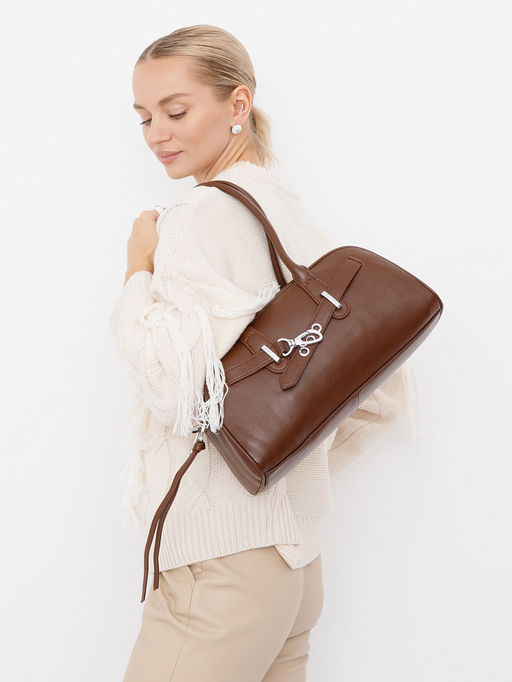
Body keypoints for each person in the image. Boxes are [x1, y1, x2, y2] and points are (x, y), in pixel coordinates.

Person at [109, 23, 422, 682]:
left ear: (239, 103)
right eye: (144, 117)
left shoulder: (204, 216)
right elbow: (374, 393)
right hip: (291, 569)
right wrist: (277, 466)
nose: (157, 134)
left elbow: (169, 387)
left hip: (220, 568)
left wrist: (138, 267)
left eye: (176, 111)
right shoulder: (282, 207)